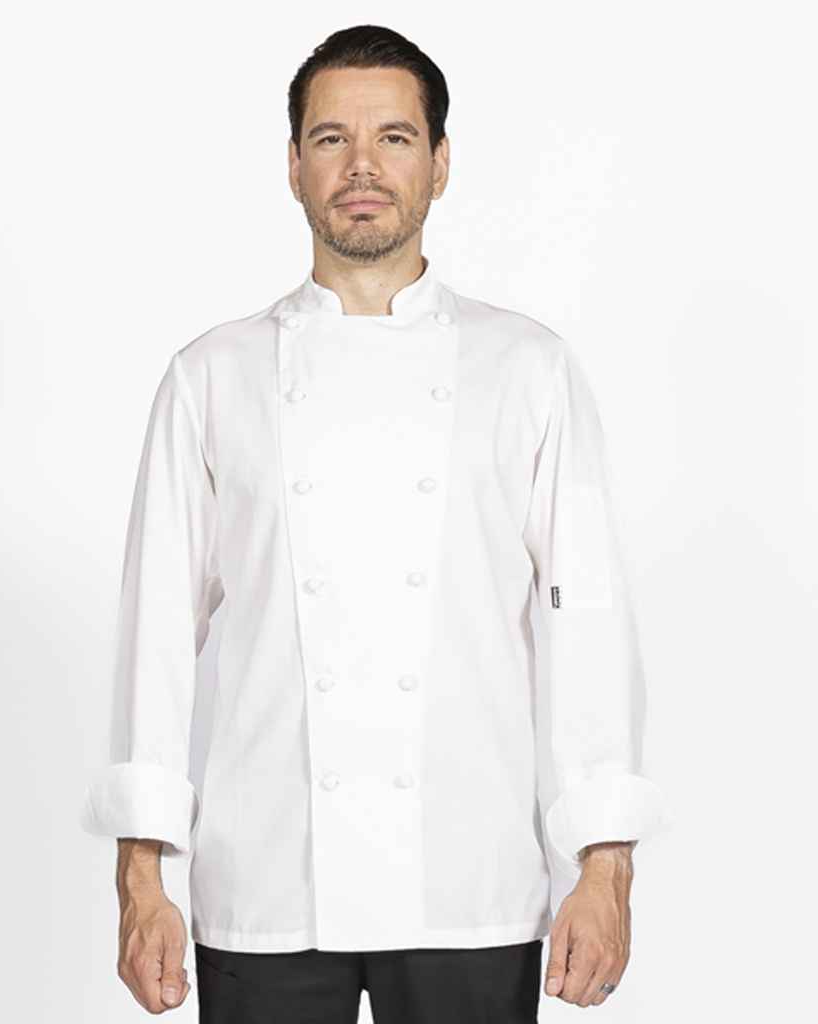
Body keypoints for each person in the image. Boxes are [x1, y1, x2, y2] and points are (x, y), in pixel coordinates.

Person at [80, 23, 671, 1023]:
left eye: (394, 138)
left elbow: (588, 629)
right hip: (265, 883)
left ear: (439, 163)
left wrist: (604, 866)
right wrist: (142, 876)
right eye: (331, 139)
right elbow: (156, 641)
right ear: (293, 166)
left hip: (470, 884)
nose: (362, 166)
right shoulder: (209, 376)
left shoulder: (527, 370)